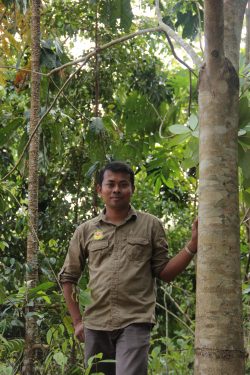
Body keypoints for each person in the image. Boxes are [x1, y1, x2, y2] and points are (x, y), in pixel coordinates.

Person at [59, 161, 198, 375]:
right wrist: (77, 321)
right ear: (100, 189)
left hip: (135, 321)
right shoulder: (85, 230)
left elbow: (165, 272)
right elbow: (68, 277)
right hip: (95, 323)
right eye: (111, 184)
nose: (116, 190)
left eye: (123, 184)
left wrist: (192, 245)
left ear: (132, 189)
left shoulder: (151, 225)